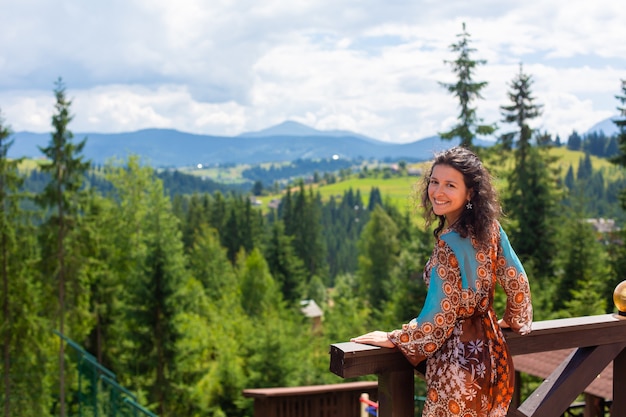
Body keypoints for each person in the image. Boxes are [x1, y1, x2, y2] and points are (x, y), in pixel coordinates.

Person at [351, 146, 532, 417]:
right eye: (434, 182)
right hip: (491, 357)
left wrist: (395, 338)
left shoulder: (449, 244)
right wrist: (512, 321)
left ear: (470, 192)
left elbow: (439, 320)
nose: (437, 192)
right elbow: (517, 282)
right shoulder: (491, 228)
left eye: (450, 184)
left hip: (457, 365)